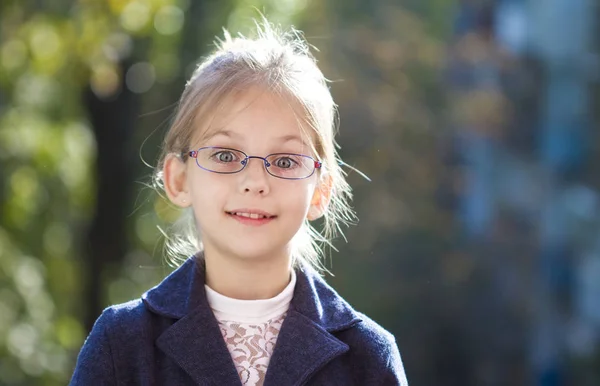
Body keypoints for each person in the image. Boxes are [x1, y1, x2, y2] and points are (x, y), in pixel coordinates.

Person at [70, 18, 409, 386]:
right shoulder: (122, 345)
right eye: (227, 155)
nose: (254, 182)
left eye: (284, 161)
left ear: (320, 190)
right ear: (179, 179)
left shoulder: (368, 357)